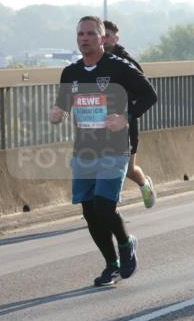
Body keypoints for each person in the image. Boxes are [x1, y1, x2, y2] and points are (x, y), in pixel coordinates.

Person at [49, 16, 158, 286]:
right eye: (80, 34)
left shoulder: (119, 68)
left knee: (104, 206)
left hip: (115, 147)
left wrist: (127, 116)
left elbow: (149, 95)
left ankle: (126, 242)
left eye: (90, 34)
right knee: (89, 212)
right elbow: (63, 103)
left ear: (102, 38)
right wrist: (57, 112)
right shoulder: (70, 72)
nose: (84, 38)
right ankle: (111, 265)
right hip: (84, 150)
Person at [102, 20, 157, 208]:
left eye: (108, 36)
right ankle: (107, 206)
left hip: (125, 121)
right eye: (101, 35)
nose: (104, 39)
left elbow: (146, 93)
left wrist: (127, 113)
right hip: (101, 123)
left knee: (129, 169)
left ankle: (145, 185)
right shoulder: (92, 61)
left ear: (116, 38)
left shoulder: (126, 63)